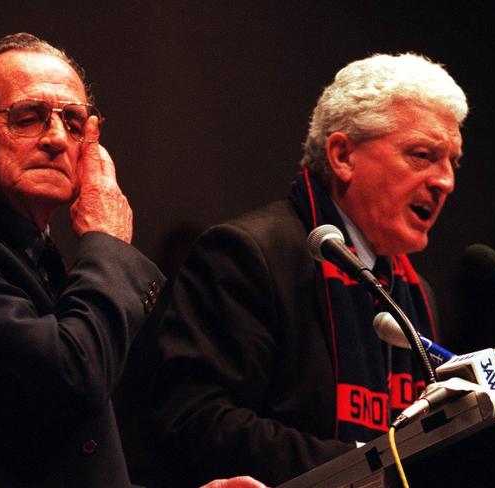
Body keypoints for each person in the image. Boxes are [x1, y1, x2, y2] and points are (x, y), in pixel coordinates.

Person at [0, 33, 265, 488]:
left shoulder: (38, 252)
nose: (57, 139)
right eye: (29, 118)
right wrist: (106, 239)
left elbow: (57, 461)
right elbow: (72, 378)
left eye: (74, 124)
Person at [152, 53, 467, 487]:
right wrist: (374, 463)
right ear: (342, 156)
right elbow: (197, 421)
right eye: (422, 155)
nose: (445, 180)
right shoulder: (249, 253)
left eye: (453, 161)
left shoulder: (416, 294)